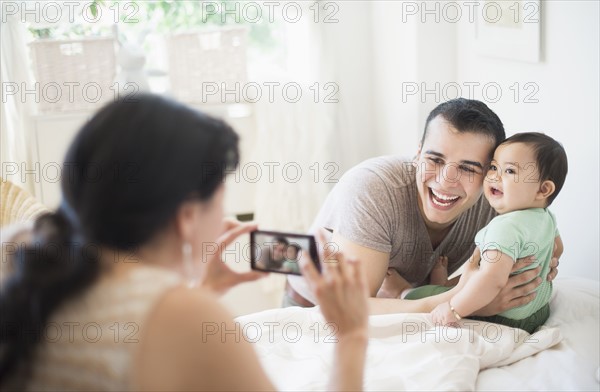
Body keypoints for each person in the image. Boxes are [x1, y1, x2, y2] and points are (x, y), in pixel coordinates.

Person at [0, 94, 369, 391]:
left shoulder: (29, 264)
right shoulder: (183, 315)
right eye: (221, 198)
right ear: (188, 215)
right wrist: (351, 335)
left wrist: (201, 291)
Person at [284, 98, 561, 314]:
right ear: (417, 154)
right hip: (314, 305)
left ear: (491, 172)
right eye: (435, 160)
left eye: (467, 168)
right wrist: (464, 305)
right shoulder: (370, 189)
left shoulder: (498, 200)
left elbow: (549, 240)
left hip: (399, 306)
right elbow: (355, 307)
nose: (445, 181)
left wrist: (546, 261)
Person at [403, 133, 567, 333]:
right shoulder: (546, 217)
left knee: (419, 295)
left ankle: (402, 291)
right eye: (493, 167)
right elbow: (558, 248)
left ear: (543, 189)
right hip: (537, 312)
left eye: (509, 170)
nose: (494, 176)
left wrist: (453, 310)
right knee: (458, 286)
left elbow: (492, 280)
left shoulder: (505, 227)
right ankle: (444, 283)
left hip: (502, 317)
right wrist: (543, 267)